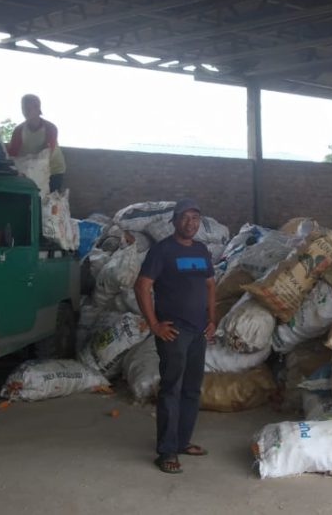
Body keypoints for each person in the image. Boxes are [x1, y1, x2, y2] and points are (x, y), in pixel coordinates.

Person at [133, 199, 216, 475]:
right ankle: (167, 451)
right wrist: (154, 324)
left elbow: (209, 285)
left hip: (198, 330)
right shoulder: (162, 251)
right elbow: (142, 286)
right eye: (185, 218)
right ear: (175, 221)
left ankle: (182, 442)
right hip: (174, 332)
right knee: (172, 389)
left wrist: (212, 319)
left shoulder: (202, 250)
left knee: (192, 389)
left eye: (195, 218)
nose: (191, 223)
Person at [6, 93, 67, 192]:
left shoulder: (50, 128)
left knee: (47, 201)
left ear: (37, 108)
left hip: (53, 170)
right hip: (30, 170)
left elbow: (46, 155)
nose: (25, 111)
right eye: (23, 108)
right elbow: (12, 153)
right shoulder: (19, 130)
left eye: (28, 108)